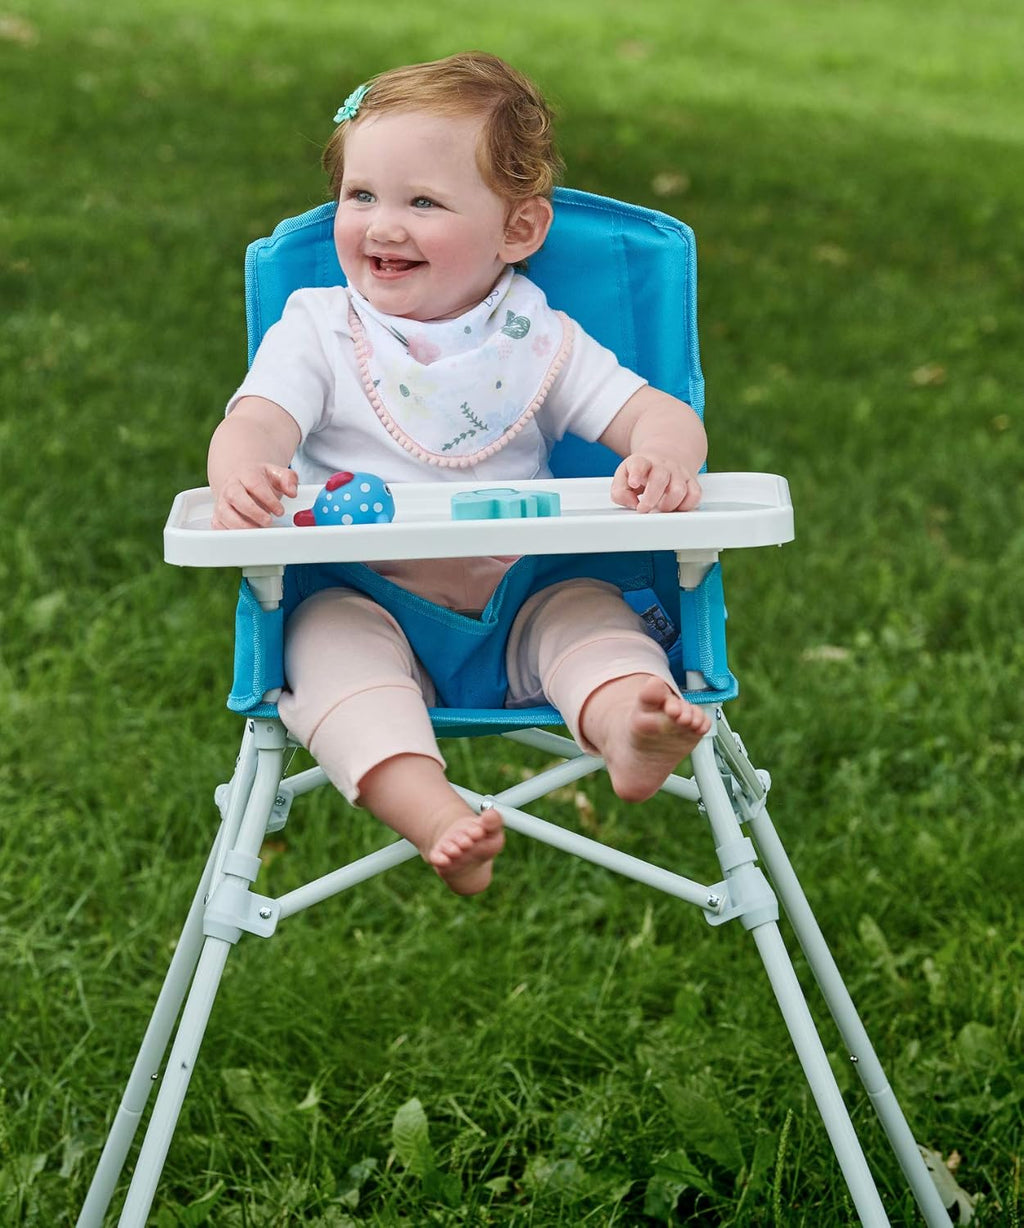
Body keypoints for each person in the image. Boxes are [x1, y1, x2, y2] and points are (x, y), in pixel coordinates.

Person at [208, 51, 711, 896]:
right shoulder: (319, 328)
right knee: (330, 654)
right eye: (360, 196)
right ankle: (435, 816)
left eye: (423, 203)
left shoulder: (536, 336)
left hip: (526, 592)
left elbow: (660, 415)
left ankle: (630, 724)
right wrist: (244, 470)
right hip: (365, 594)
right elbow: (256, 419)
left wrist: (663, 455)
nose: (383, 226)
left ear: (518, 230)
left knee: (592, 622)